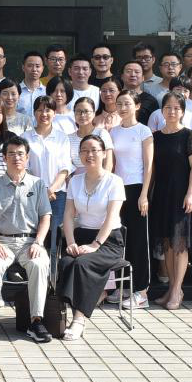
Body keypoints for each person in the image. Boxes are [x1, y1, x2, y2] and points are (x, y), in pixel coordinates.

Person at [0, 136, 52, 344]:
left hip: (30, 242)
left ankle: (36, 321)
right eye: (11, 153)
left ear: (27, 158)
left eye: (20, 154)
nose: (16, 158)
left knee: (39, 264)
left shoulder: (38, 184)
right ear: (4, 158)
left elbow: (45, 216)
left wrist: (38, 242)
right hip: (2, 242)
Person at [58, 134, 126, 341]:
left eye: (94, 150)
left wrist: (96, 244)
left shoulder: (114, 181)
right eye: (84, 151)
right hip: (81, 236)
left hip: (108, 240)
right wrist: (70, 242)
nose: (89, 155)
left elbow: (111, 217)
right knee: (66, 262)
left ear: (104, 153)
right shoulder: (75, 181)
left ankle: (78, 319)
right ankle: (97, 295)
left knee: (82, 264)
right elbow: (68, 214)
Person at [149, 92, 192, 311]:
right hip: (161, 194)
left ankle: (178, 290)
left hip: (181, 195)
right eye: (168, 108)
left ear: (183, 111)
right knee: (167, 243)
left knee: (179, 243)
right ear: (162, 111)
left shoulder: (189, 135)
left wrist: (190, 193)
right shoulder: (155, 137)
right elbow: (151, 169)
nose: (172, 111)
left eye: (176, 108)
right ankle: (171, 288)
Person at [111, 90, 154, 309]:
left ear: (137, 106)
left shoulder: (143, 131)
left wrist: (144, 194)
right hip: (118, 190)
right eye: (119, 104)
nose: (122, 107)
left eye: (127, 103)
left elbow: (149, 166)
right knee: (121, 239)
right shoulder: (113, 131)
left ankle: (142, 291)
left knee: (138, 241)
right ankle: (123, 286)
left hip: (137, 189)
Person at [24, 96, 72, 257]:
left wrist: (51, 189)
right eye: (39, 110)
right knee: (33, 232)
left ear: (54, 113)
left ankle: (53, 269)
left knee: (54, 234)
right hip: (32, 193)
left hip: (57, 195)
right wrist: (42, 189)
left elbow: (65, 168)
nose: (44, 114)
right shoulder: (25, 137)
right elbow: (25, 169)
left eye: (48, 110)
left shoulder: (62, 137)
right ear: (34, 113)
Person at [16, 51, 47, 115]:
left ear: (42, 68)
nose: (34, 69)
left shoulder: (47, 92)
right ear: (23, 67)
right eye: (30, 66)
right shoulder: (15, 92)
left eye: (37, 66)